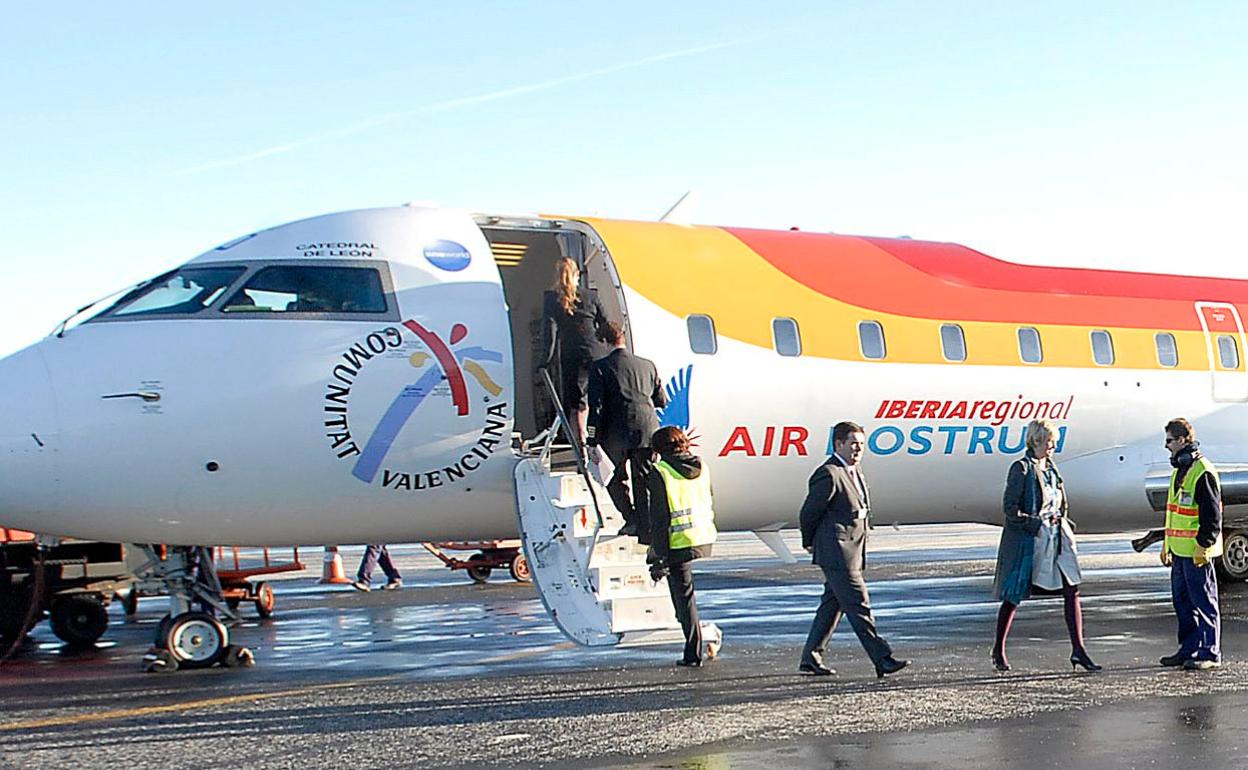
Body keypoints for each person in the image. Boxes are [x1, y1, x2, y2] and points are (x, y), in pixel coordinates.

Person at [798, 421, 908, 678]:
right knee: (859, 604)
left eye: (861, 445)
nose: (858, 450)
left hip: (852, 549)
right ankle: (882, 658)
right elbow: (809, 512)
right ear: (839, 444)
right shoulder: (829, 473)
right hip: (837, 551)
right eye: (853, 444)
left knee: (832, 605)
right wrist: (810, 541)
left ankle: (810, 657)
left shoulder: (853, 471)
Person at [990, 419, 1100, 672]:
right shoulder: (1021, 469)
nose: (1054, 446)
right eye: (1050, 441)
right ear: (1037, 440)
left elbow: (1060, 502)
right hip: (1034, 539)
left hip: (1057, 535)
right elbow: (1010, 509)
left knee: (1072, 587)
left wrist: (1063, 523)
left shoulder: (1051, 469)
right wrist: (1035, 525)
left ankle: (1079, 650)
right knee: (1014, 594)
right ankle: (998, 648)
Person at [645, 426, 717, 667]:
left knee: (684, 599)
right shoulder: (702, 467)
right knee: (685, 597)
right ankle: (695, 644)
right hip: (701, 535)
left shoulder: (661, 472)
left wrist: (659, 555)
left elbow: (659, 517)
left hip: (677, 542)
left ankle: (693, 652)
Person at [587, 321, 667, 539]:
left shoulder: (600, 367)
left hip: (615, 432)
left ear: (603, 341)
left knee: (614, 477)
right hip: (646, 428)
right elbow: (661, 400)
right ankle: (646, 526)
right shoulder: (647, 365)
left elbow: (596, 406)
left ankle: (630, 519)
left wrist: (591, 440)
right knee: (644, 478)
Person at [1159, 417, 1223, 670]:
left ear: (1183, 440)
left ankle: (1210, 651)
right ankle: (1189, 648)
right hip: (1179, 551)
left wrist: (1203, 546)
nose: (1167, 446)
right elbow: (1174, 512)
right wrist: (1167, 546)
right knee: (1183, 603)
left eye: (1170, 441)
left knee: (1205, 602)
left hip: (1196, 552)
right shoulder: (1180, 470)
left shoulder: (1202, 471)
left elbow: (1212, 515)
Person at [542, 257, 609, 447]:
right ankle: (599, 440)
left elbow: (550, 333)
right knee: (598, 398)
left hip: (572, 355)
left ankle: (581, 445)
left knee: (576, 405)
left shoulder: (551, 299)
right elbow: (604, 324)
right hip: (596, 352)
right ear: (577, 275)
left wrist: (544, 361)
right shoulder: (591, 296)